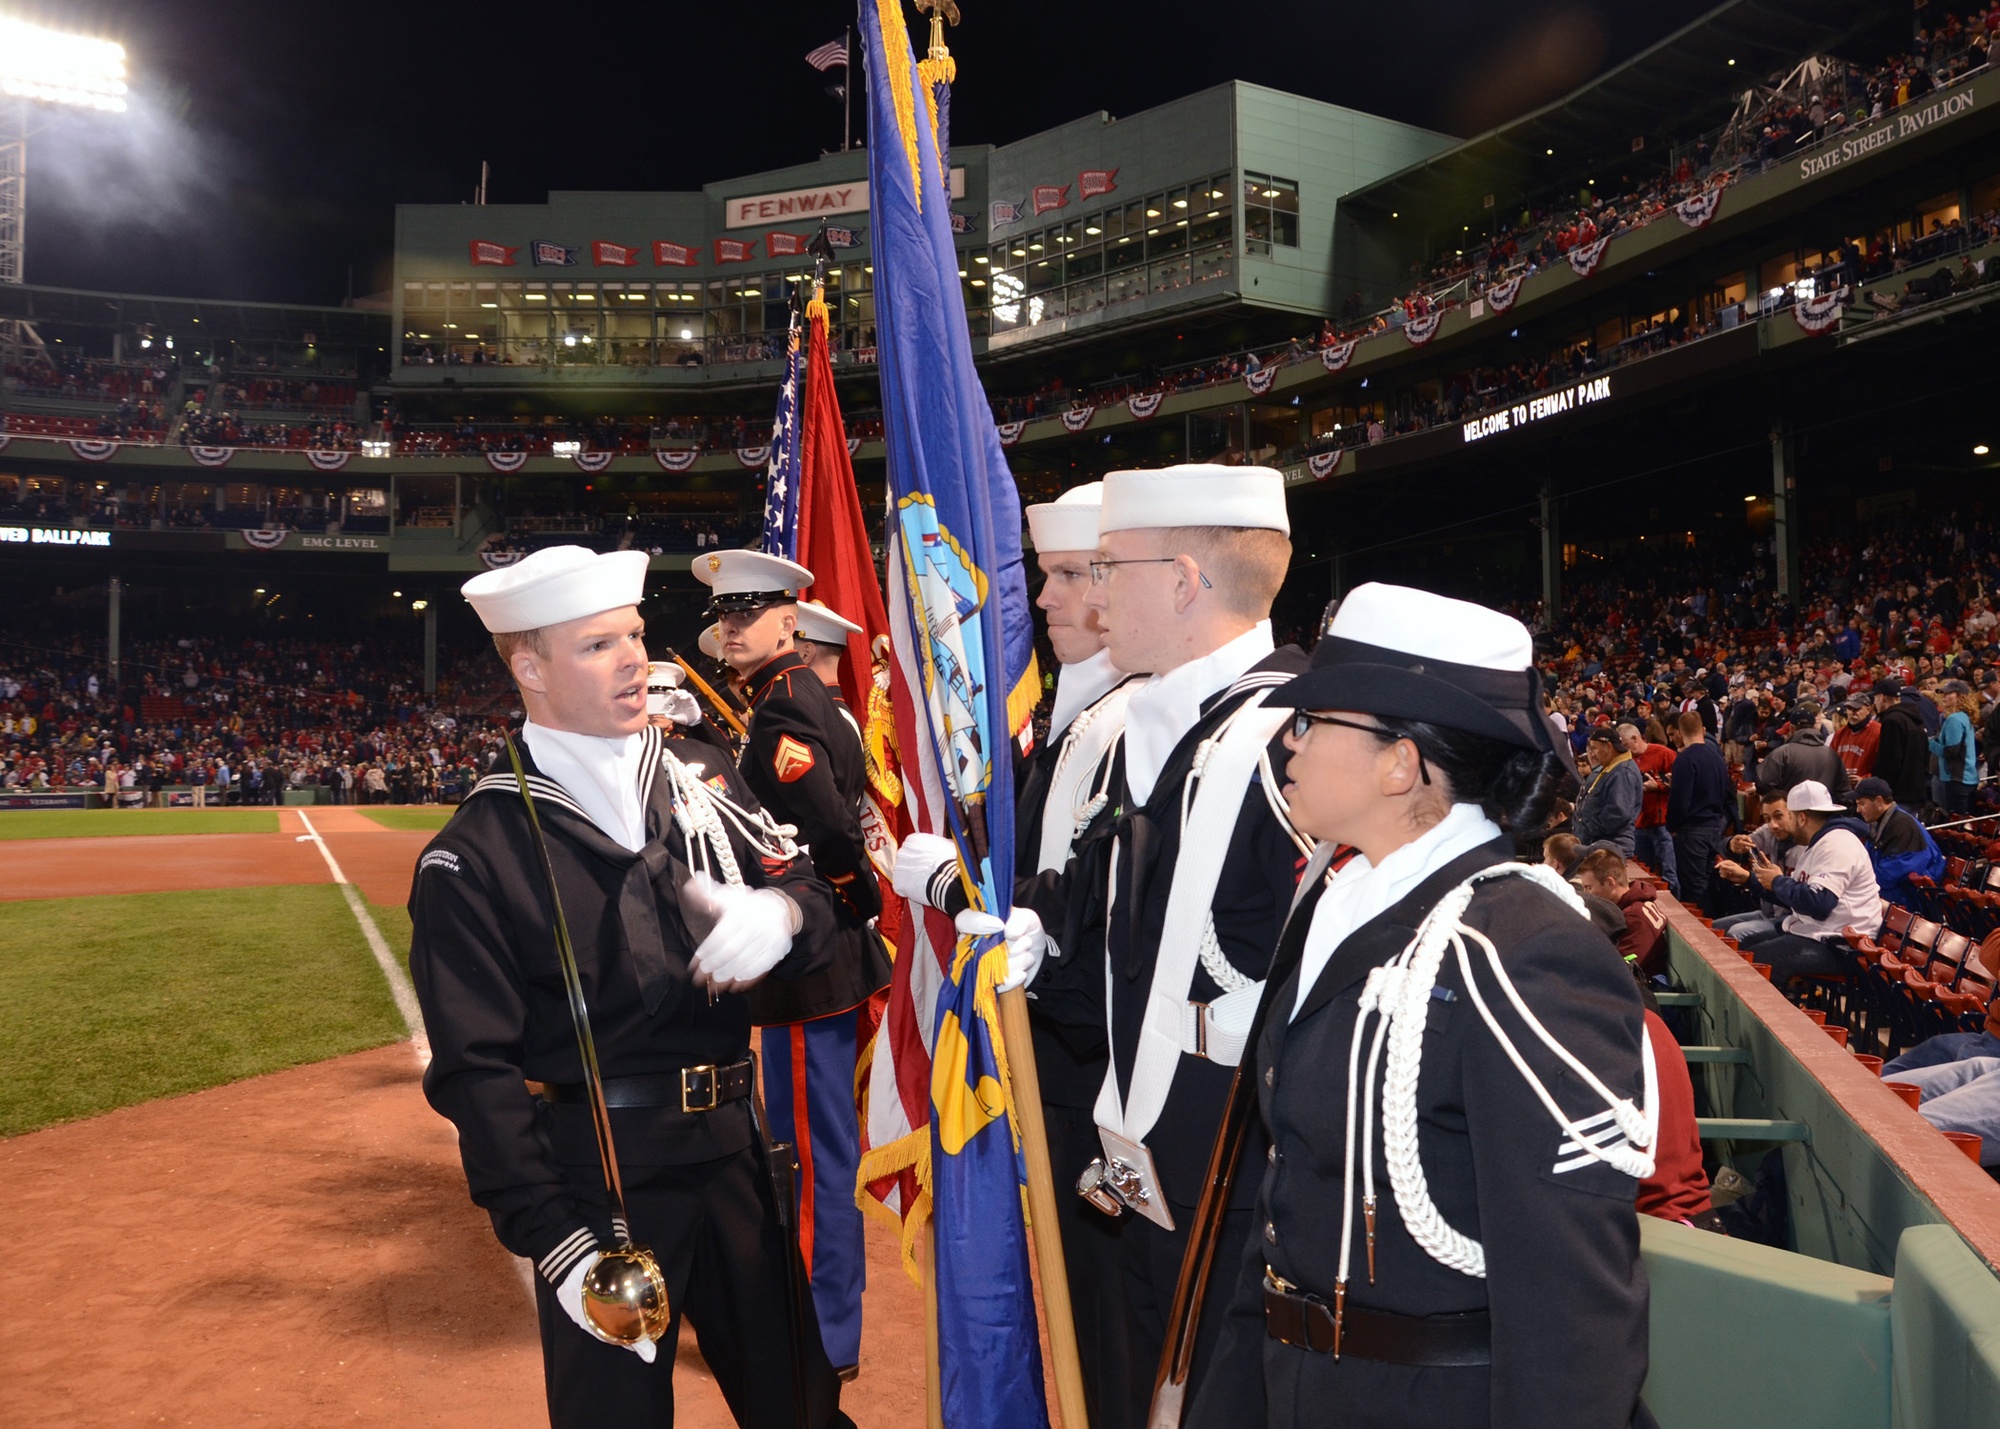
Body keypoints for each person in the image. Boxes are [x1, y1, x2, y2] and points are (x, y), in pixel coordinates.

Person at [407, 544, 853, 1427]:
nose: (634, 662)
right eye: (597, 645)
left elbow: (814, 897)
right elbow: (476, 1071)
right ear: (529, 667)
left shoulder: (706, 778)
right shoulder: (478, 850)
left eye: (636, 636)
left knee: (803, 1409)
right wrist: (556, 1240)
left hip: (735, 1155)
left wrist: (786, 916)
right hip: (599, 1180)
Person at [1188, 581, 1651, 1429]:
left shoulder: (1524, 946)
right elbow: (1287, 1202)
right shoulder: (1340, 902)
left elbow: (1570, 1306)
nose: (1287, 740)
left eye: (1313, 719)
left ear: (1402, 762)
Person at [898, 480, 1142, 1426]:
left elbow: (1075, 909)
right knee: (1080, 1305)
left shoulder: (1123, 722)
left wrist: (957, 892)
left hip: (1096, 1069)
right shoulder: (1080, 712)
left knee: (1107, 1320)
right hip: (1063, 1055)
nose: (1041, 601)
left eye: (1068, 575)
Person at [691, 548, 893, 1382]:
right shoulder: (794, 700)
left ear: (789, 618)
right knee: (811, 1150)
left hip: (808, 971)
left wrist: (852, 900)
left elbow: (833, 838)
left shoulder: (781, 714)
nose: (733, 626)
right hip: (820, 965)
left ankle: (821, 1334)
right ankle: (816, 1316)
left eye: (750, 612)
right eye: (726, 614)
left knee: (809, 1157)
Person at [1711, 780, 1881, 990]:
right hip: (1818, 933)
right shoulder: (1820, 842)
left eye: (1788, 816)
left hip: (1842, 946)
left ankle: (1772, 1020)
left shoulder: (1838, 844)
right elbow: (1797, 899)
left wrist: (1777, 881)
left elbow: (1819, 904)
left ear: (1801, 818)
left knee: (1752, 961)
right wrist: (1751, 880)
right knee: (1741, 948)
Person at [1666, 711, 1735, 915]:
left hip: (1692, 830)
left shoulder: (1685, 759)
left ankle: (1702, 935)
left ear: (1680, 732)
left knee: (1693, 889)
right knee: (1708, 882)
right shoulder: (1717, 757)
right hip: (1714, 827)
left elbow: (1680, 800)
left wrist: (1672, 826)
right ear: (1703, 730)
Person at [1852, 774, 1944, 907]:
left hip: (1913, 895)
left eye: (1862, 804)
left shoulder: (1902, 826)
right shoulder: (1880, 823)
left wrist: (1859, 883)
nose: (1858, 810)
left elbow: (1893, 874)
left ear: (1878, 801)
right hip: (1897, 888)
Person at [1574, 846, 1668, 974]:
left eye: (1589, 887)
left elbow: (1618, 971)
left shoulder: (1634, 918)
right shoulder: (1631, 906)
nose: (1586, 894)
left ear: (1610, 883)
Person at [1619, 721, 1678, 896]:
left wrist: (1659, 786)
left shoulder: (1664, 754)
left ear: (1635, 738)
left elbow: (1679, 785)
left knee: (1669, 874)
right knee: (1643, 876)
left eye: (1625, 744)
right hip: (1638, 824)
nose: (1623, 749)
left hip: (1662, 823)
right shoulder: (1625, 761)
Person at [1756, 700, 1851, 807]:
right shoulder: (1832, 754)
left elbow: (1763, 784)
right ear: (1814, 726)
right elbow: (1843, 793)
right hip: (1823, 817)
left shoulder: (1782, 753)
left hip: (1792, 816)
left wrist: (1785, 802)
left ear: (1791, 728)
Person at [1573, 729, 1641, 857]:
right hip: (1599, 847)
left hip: (1609, 849)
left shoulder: (1623, 772)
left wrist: (1588, 829)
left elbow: (1617, 814)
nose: (1592, 754)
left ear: (1608, 747)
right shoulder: (1612, 768)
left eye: (1595, 749)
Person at [1872, 679, 1931, 808]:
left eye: (1875, 698)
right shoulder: (1915, 719)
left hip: (1898, 795)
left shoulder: (1891, 721)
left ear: (1882, 697)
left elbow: (1890, 762)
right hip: (1918, 791)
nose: (1874, 702)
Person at [1930, 681, 1979, 817]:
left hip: (1957, 779)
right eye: (1944, 694)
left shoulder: (1954, 719)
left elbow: (1951, 752)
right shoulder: (1963, 717)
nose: (1944, 697)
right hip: (1967, 778)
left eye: (1948, 693)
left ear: (1960, 696)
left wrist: (1930, 743)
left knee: (1955, 827)